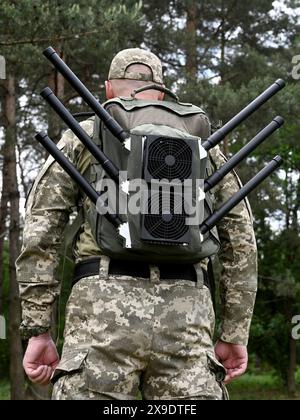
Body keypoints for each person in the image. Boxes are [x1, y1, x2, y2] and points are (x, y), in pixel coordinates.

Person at [17, 48, 257, 400]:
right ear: (161, 92)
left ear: (109, 89)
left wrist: (38, 329)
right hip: (188, 316)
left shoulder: (86, 134)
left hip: (101, 313)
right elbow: (241, 238)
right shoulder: (203, 143)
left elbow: (42, 229)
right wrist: (234, 333)